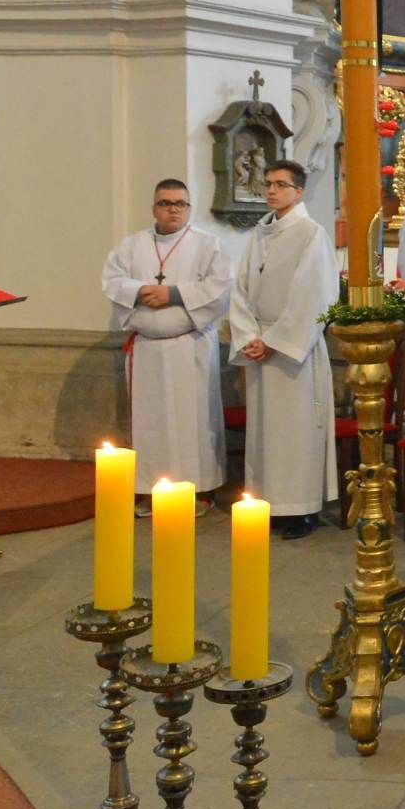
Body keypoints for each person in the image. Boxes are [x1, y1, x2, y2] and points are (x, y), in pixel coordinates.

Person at [101, 179, 233, 515]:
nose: (173, 209)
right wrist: (143, 289)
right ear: (154, 208)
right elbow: (112, 281)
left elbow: (219, 289)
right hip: (147, 350)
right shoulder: (131, 246)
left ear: (189, 209)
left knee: (192, 423)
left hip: (189, 349)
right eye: (165, 203)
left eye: (180, 204)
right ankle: (152, 490)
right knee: (151, 425)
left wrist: (172, 294)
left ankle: (198, 491)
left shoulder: (208, 245)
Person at [228, 161, 338, 540]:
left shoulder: (311, 234)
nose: (271, 191)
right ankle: (267, 503)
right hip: (260, 346)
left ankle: (301, 510)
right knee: (265, 433)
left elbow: (316, 294)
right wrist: (248, 338)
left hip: (294, 351)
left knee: (295, 432)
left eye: (280, 185)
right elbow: (240, 291)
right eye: (268, 184)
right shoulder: (259, 235)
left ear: (299, 191)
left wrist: (276, 342)